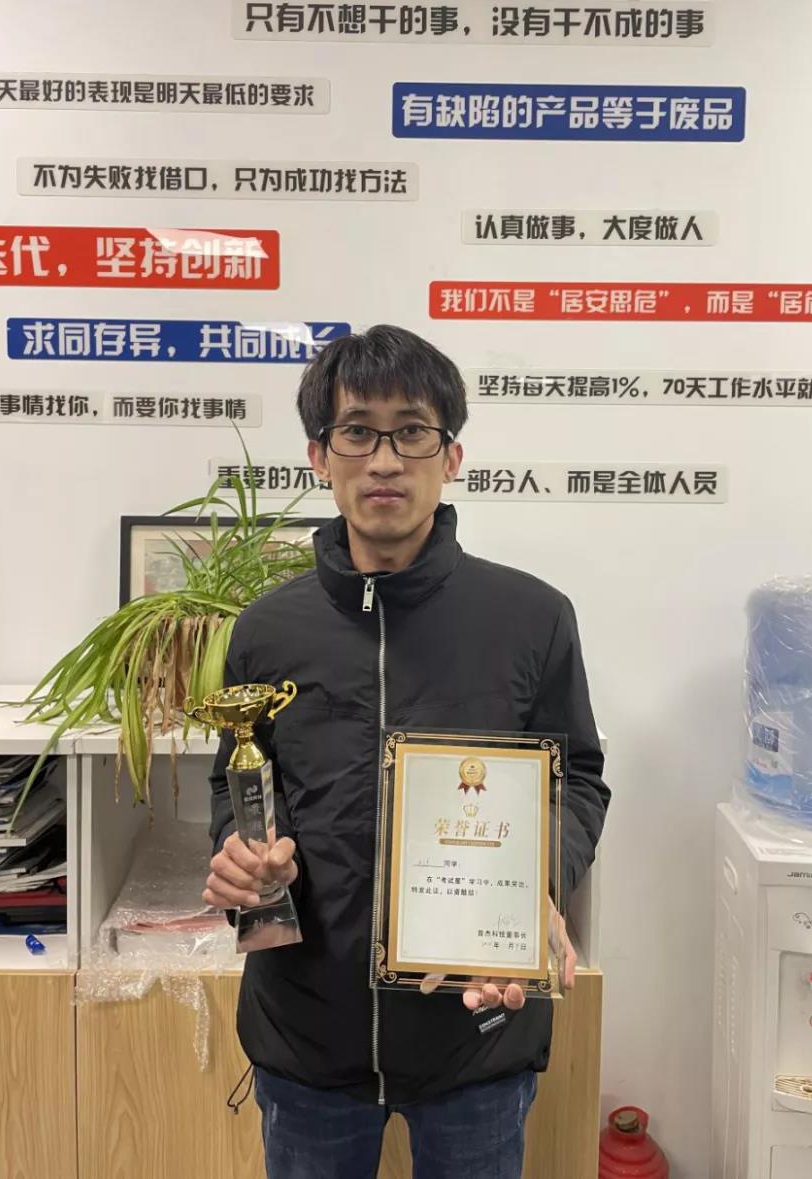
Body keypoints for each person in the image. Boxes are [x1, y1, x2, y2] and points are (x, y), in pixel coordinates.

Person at [205, 325, 610, 1179]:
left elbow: (577, 778)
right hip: (306, 1032)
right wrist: (243, 857)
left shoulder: (532, 617)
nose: (384, 459)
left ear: (451, 455)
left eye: (412, 431)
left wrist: (533, 884)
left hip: (475, 1029)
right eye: (357, 431)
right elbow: (236, 782)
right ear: (320, 456)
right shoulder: (267, 629)